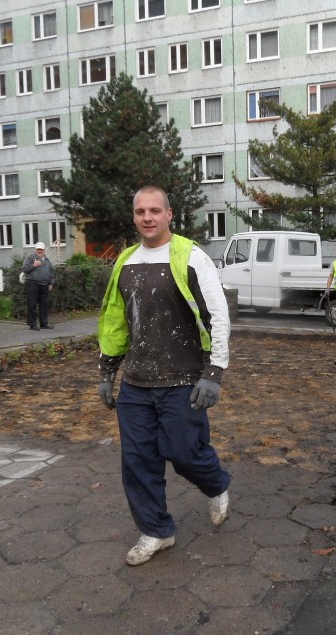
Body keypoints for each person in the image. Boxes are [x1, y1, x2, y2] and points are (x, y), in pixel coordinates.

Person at [96, 185, 231, 566]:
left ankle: (216, 484)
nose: (148, 218)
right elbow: (115, 320)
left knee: (185, 453)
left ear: (169, 214)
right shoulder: (125, 261)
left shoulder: (191, 257)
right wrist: (107, 370)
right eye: (141, 211)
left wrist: (214, 372)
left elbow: (217, 315)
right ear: (134, 216)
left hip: (184, 379)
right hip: (136, 383)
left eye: (155, 210)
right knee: (137, 461)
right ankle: (156, 530)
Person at [22, 242, 54, 330]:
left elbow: (50, 272)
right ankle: (33, 325)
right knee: (32, 305)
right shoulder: (30, 258)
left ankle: (44, 323)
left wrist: (51, 283)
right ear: (35, 250)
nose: (39, 251)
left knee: (44, 305)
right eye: (38, 249)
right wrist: (34, 265)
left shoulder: (47, 260)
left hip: (44, 285)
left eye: (41, 249)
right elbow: (25, 269)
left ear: (44, 250)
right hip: (32, 284)